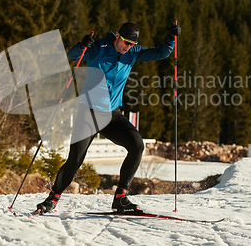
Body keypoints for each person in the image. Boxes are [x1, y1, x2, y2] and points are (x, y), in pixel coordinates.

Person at [36, 22, 181, 213]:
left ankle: (120, 198)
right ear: (118, 36)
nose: (128, 46)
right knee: (76, 159)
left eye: (132, 44)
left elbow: (161, 53)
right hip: (88, 113)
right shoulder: (99, 48)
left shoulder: (133, 52)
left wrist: (171, 38)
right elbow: (72, 55)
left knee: (137, 145)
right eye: (126, 42)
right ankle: (52, 199)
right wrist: (82, 45)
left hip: (112, 115)